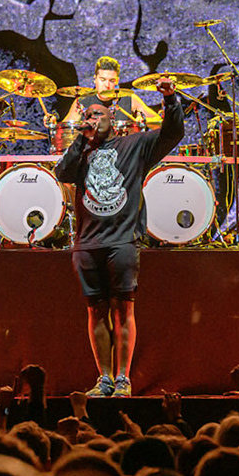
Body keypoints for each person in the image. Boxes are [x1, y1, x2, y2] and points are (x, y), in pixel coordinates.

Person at [55, 75, 183, 396]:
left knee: (123, 308)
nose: (92, 119)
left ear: (114, 117)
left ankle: (124, 378)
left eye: (98, 114)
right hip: (87, 242)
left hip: (122, 240)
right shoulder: (81, 152)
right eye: (88, 115)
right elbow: (62, 173)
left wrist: (170, 100)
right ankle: (105, 378)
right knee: (95, 310)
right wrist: (81, 141)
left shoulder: (133, 145)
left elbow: (172, 133)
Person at [63, 56, 158, 130]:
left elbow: (158, 122)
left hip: (123, 152)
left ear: (117, 81)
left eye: (111, 81)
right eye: (103, 80)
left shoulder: (129, 99)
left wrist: (144, 121)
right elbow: (64, 129)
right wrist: (52, 123)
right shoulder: (82, 101)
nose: (107, 85)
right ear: (95, 79)